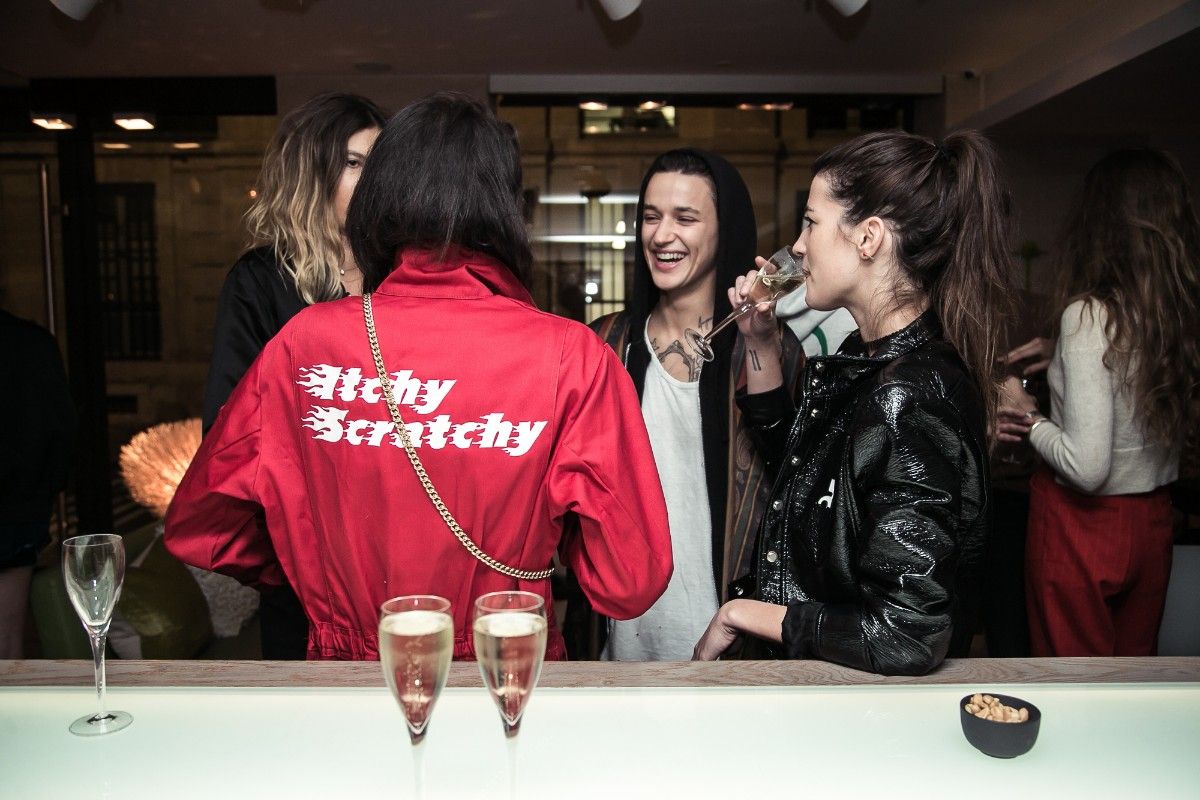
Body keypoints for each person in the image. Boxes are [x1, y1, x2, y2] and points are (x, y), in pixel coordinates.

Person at [166, 92, 672, 661]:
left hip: (349, 676)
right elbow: (630, 579)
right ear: (507, 208)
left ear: (381, 198)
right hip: (505, 667)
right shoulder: (573, 357)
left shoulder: (304, 344)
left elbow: (203, 527)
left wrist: (318, 568)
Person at [693, 130, 1015, 675]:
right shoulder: (865, 356)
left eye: (811, 223)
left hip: (859, 706)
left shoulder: (906, 396)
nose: (798, 246)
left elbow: (904, 635)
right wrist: (760, 342)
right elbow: (796, 465)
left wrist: (746, 614)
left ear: (868, 238)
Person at [565, 149, 806, 661]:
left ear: (724, 231)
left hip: (728, 649)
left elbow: (792, 478)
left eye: (685, 218)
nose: (661, 235)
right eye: (651, 217)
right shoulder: (605, 345)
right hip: (619, 643)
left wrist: (759, 342)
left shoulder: (769, 347)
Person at [202, 92, 386, 659]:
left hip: (396, 551)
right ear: (312, 172)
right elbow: (230, 431)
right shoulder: (261, 281)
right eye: (353, 163)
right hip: (305, 565)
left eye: (378, 164)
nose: (371, 180)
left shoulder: (402, 273)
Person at [996, 148, 1200, 657]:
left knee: (1076, 686)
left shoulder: (1088, 317)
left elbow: (1088, 468)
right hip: (1152, 523)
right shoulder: (1173, 314)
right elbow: (1131, 371)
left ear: (1100, 223)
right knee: (1131, 681)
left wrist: (1028, 414)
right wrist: (1064, 354)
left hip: (1082, 526)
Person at [0, 310, 76, 658]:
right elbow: (62, 431)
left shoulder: (31, 341)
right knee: (7, 639)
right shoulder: (32, 342)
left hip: (20, 509)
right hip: (20, 511)